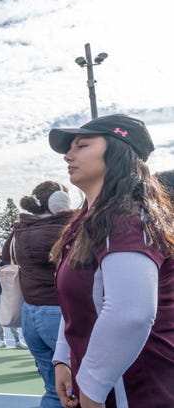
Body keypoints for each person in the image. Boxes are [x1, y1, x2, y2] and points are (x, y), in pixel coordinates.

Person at [48, 114, 174, 407]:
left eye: (83, 145)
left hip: (141, 390)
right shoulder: (85, 223)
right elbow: (75, 305)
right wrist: (63, 359)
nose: (69, 155)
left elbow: (131, 313)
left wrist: (92, 387)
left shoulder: (127, 218)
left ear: (117, 149)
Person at [1, 181, 75, 407]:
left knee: (52, 390)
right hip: (60, 315)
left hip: (29, 315)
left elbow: (6, 256)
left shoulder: (19, 230)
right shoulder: (66, 228)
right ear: (60, 202)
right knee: (76, 389)